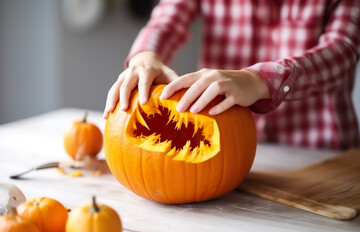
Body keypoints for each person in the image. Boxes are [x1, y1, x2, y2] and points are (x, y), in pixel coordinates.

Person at [103, 0, 360, 150]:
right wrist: (145, 56)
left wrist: (260, 80)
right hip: (226, 145)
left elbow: (344, 49)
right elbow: (167, 20)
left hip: (321, 148)